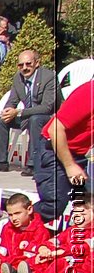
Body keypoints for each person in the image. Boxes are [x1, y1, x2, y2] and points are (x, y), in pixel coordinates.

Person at [0, 50, 61, 175]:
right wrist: (8, 110)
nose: (24, 68)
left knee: (36, 119)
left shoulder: (49, 77)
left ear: (37, 63)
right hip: (28, 115)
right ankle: (0, 162)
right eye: (21, 65)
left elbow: (47, 107)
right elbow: (13, 99)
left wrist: (18, 112)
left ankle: (33, 164)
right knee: (1, 119)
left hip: (50, 117)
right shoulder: (18, 78)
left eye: (28, 64)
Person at [34, 78, 94, 225]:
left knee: (89, 199)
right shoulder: (88, 93)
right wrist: (69, 165)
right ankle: (15, 227)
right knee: (53, 205)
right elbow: (54, 129)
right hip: (54, 149)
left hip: (78, 154)